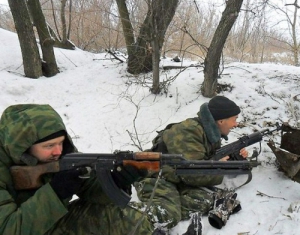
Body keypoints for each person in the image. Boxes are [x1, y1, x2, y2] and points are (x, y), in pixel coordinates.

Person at [0, 104, 163, 234]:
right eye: (49, 146)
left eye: (61, 142)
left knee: (123, 218)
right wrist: (55, 193)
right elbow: (8, 229)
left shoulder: (62, 155)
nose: (58, 151)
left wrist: (117, 180)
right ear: (23, 147)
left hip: (49, 223)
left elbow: (89, 187)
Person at [133, 96, 249, 234]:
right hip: (154, 176)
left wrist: (234, 159)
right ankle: (120, 214)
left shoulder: (210, 132)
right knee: (169, 214)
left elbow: (204, 160)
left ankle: (170, 205)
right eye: (234, 119)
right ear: (221, 120)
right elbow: (193, 175)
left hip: (175, 177)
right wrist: (220, 167)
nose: (236, 124)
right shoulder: (189, 132)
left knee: (208, 201)